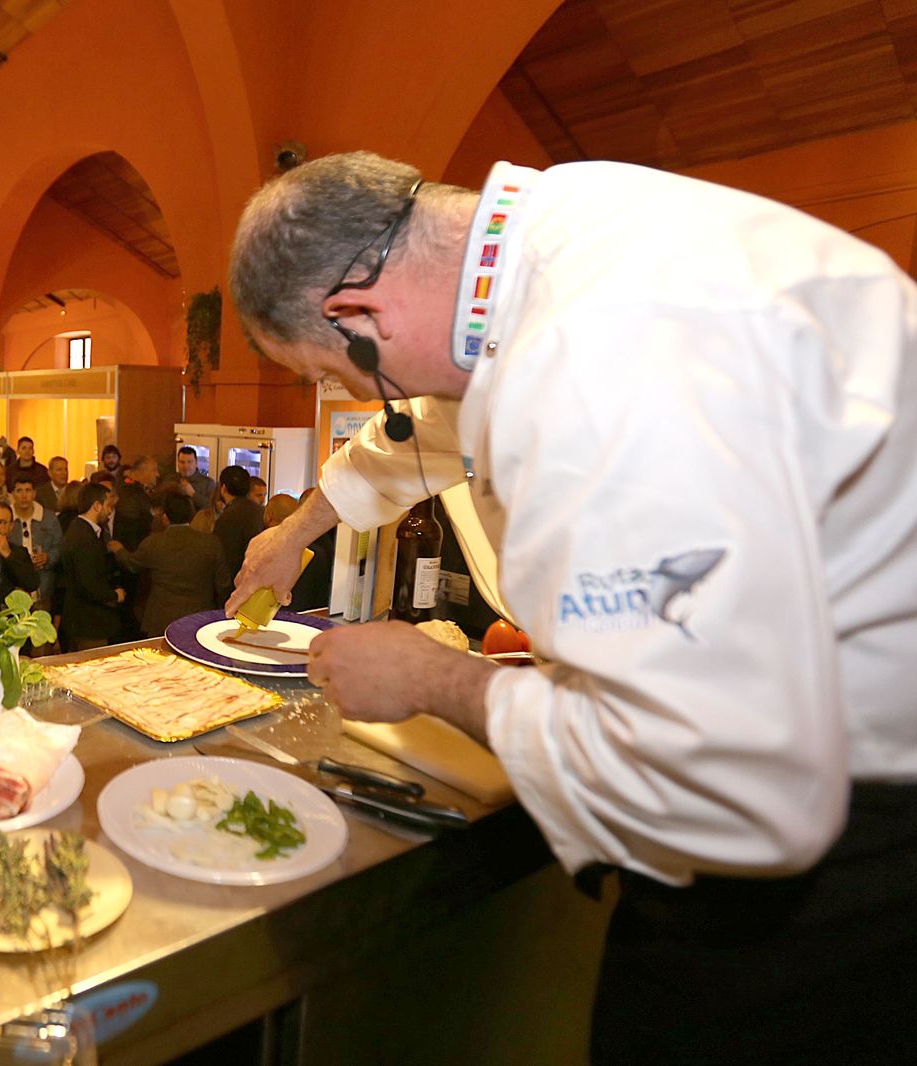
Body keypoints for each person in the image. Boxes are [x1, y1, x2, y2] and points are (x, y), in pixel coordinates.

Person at [226, 150, 917, 1064]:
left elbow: (733, 787)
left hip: (849, 848)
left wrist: (435, 678)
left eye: (345, 375)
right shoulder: (542, 246)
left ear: (356, 314)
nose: (365, 400)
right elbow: (413, 434)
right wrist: (298, 532)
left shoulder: (605, 364)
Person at [112, 491, 231, 637]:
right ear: (191, 515)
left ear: (165, 518)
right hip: (200, 618)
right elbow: (223, 584)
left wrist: (119, 550)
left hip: (161, 619)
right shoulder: (211, 543)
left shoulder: (154, 543)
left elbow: (132, 565)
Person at [59, 482, 125, 650]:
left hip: (82, 619)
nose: (110, 511)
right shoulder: (83, 537)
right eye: (108, 505)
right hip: (88, 622)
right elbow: (88, 583)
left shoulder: (80, 530)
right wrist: (114, 595)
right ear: (97, 506)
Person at [6, 472, 62, 609]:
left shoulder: (49, 518)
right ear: (12, 494)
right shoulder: (6, 519)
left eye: (28, 490)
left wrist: (48, 557)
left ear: (34, 493)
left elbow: (60, 547)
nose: (24, 495)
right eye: (19, 491)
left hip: (43, 586)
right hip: (13, 586)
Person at [213, 465, 263, 581]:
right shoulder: (260, 511)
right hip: (257, 579)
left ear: (223, 488)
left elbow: (224, 559)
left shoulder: (227, 517)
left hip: (236, 582)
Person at [112, 454, 159, 552]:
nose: (157, 474)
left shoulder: (138, 491)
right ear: (142, 471)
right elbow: (129, 527)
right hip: (131, 551)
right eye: (154, 470)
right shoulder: (128, 494)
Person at [177, 446, 215, 512]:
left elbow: (213, 508)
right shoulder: (171, 480)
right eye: (182, 462)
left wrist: (193, 494)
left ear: (196, 463)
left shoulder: (208, 483)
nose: (185, 466)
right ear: (178, 463)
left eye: (189, 462)